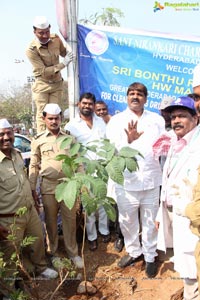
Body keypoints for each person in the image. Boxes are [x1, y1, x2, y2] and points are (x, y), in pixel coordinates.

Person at [106, 82, 165, 278]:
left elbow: (163, 146)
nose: (135, 96)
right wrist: (128, 141)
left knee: (150, 221)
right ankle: (134, 251)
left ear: (146, 98)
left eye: (139, 94)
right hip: (126, 182)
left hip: (151, 179)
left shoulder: (157, 120)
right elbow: (112, 149)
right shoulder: (116, 121)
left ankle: (149, 256)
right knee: (127, 220)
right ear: (126, 97)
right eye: (131, 93)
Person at [0, 118, 58, 300]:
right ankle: (9, 291)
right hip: (8, 219)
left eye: (9, 133)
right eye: (1, 134)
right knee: (10, 255)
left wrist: (34, 199)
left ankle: (41, 268)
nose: (6, 137)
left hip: (29, 211)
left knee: (37, 241)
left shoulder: (17, 154)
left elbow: (24, 180)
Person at [29, 103, 83, 269]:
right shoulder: (38, 140)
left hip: (68, 186)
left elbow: (78, 162)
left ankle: (73, 253)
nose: (54, 121)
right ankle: (53, 253)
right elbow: (34, 164)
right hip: (48, 188)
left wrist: (81, 184)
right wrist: (32, 188)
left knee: (70, 221)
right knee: (51, 222)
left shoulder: (69, 137)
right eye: (50, 118)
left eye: (57, 118)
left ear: (61, 119)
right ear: (44, 119)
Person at [156, 96, 200, 299]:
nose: (176, 121)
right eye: (173, 117)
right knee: (182, 257)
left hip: (192, 217)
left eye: (182, 116)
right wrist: (160, 211)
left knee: (192, 261)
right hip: (174, 212)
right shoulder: (175, 142)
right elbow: (168, 180)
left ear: (195, 118)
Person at [64, 92, 110, 251]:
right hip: (84, 172)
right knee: (89, 206)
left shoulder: (101, 122)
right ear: (79, 104)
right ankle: (92, 236)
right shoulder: (71, 126)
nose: (87, 106)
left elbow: (107, 142)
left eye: (90, 104)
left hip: (102, 169)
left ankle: (104, 231)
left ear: (93, 105)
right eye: (84, 103)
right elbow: (67, 151)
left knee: (103, 202)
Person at [26, 16, 74, 133]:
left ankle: (56, 136)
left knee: (55, 112)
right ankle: (42, 138)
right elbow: (43, 71)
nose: (45, 36)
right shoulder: (31, 50)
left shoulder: (56, 39)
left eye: (47, 32)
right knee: (42, 113)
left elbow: (64, 52)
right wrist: (63, 64)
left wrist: (71, 49)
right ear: (35, 32)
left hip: (56, 84)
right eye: (41, 33)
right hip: (42, 84)